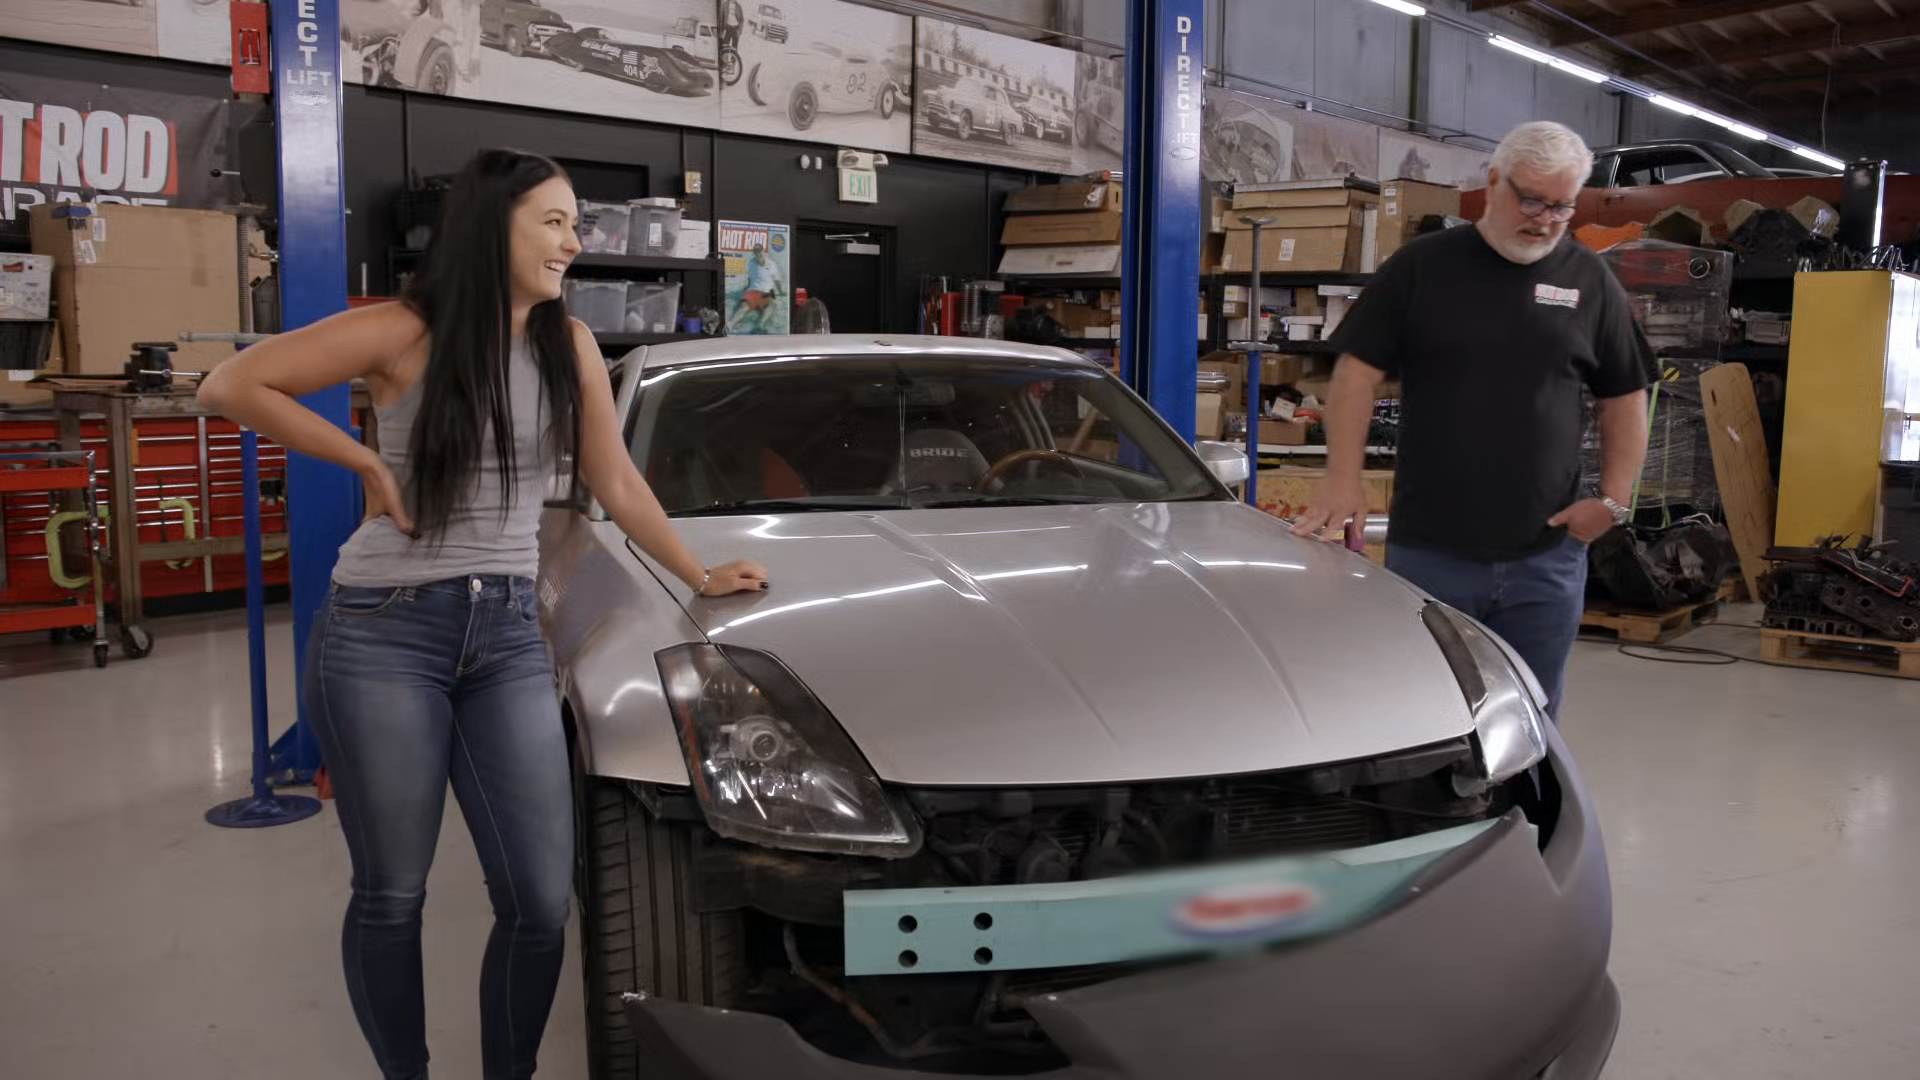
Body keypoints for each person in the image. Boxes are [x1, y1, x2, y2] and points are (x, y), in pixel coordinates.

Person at [197, 148, 769, 1080]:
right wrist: (364, 461)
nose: (572, 243)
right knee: (393, 893)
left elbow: (617, 480)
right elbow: (229, 386)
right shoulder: (401, 331)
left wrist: (699, 573)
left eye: (576, 225)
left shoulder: (567, 344)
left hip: (504, 632)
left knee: (539, 900)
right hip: (383, 630)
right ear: (490, 224)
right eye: (553, 221)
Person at [1292, 121, 1654, 720]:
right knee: (1426, 712)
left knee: (1531, 717)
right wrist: (1341, 480)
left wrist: (1614, 502)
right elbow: (1356, 373)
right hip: (1432, 553)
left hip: (1547, 555)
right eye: (1531, 200)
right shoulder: (1422, 267)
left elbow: (1626, 395)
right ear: (1493, 181)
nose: (1544, 220)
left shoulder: (1588, 278)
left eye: (1561, 207)